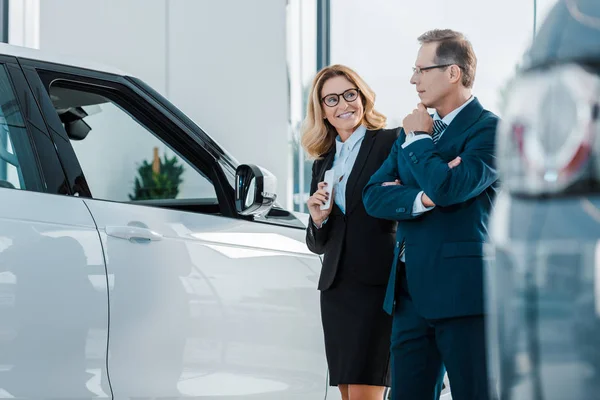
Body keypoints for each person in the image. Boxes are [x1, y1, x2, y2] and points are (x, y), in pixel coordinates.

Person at [363, 29, 500, 400]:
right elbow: (373, 196)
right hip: (408, 295)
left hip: (463, 295)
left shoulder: (490, 130)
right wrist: (424, 198)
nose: (413, 79)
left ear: (453, 72)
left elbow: (451, 189)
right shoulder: (409, 129)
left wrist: (422, 144)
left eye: (422, 70)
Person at [302, 64, 399, 400]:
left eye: (349, 94)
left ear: (362, 97)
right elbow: (318, 244)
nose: (343, 104)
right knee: (347, 392)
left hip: (376, 284)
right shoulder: (322, 163)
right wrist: (317, 219)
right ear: (323, 112)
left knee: (364, 390)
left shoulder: (389, 142)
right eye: (332, 99)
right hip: (336, 288)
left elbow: (405, 202)